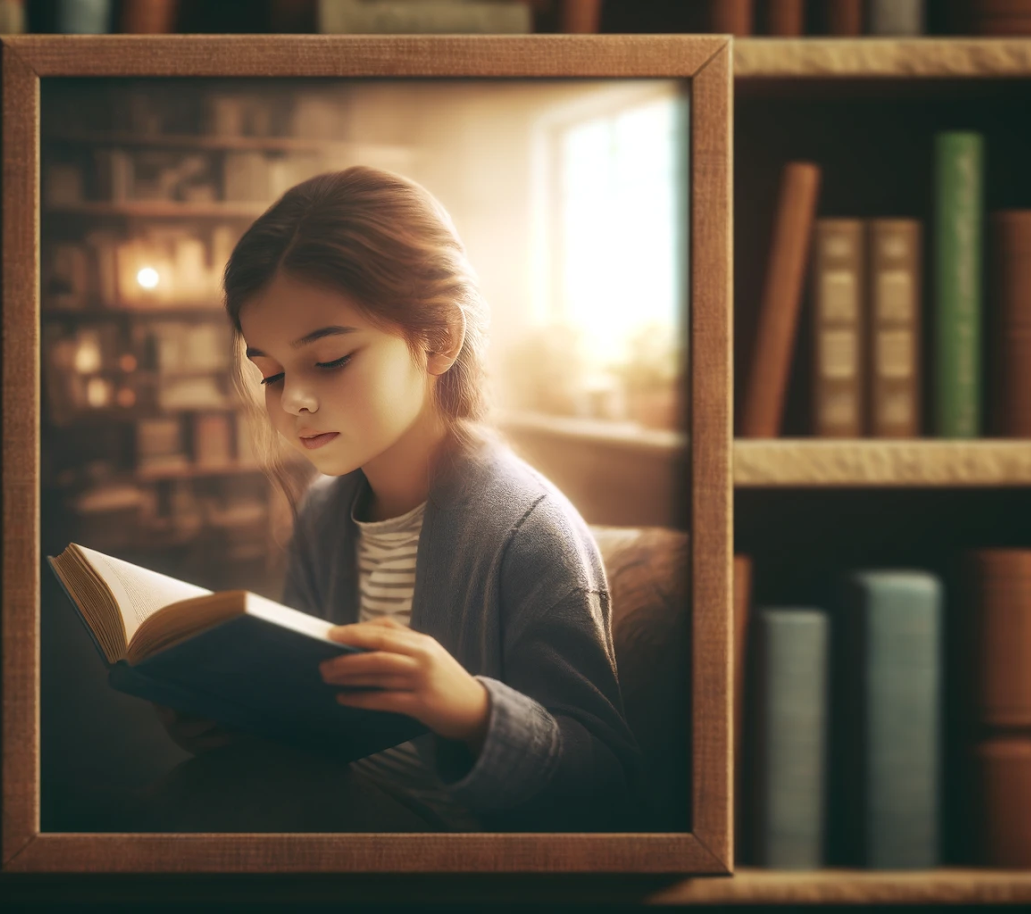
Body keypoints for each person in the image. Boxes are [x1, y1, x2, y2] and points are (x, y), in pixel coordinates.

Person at [121, 164, 641, 833]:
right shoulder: (322, 512)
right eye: (271, 375)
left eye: (331, 359)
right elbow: (310, 717)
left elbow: (609, 788)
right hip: (340, 819)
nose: (295, 400)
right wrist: (232, 718)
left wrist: (473, 712)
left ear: (438, 339)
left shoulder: (529, 532)